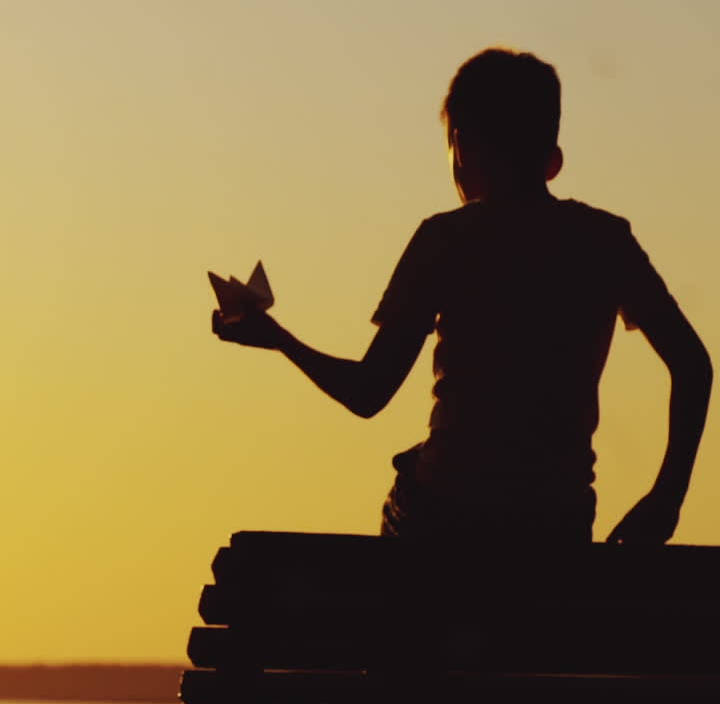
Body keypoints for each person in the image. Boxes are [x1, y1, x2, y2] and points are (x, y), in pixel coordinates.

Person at [212, 48, 712, 544]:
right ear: (551, 157)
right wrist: (667, 498)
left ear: (463, 144)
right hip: (557, 520)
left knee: (411, 480)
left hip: (449, 517)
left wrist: (279, 339)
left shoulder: (445, 239)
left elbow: (368, 393)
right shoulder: (605, 240)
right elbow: (693, 365)